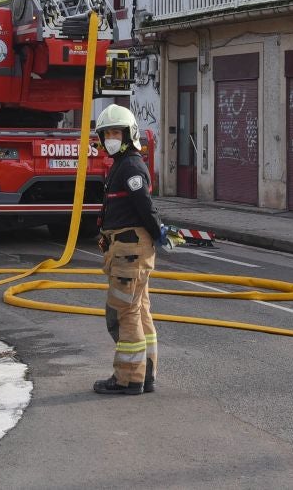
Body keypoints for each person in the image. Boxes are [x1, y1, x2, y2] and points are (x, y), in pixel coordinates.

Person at [93, 103, 166, 396]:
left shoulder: (131, 166)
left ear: (128, 135)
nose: (110, 138)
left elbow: (144, 206)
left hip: (129, 252)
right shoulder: (122, 165)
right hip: (127, 249)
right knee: (139, 310)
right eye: (106, 133)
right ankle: (145, 374)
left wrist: (158, 229)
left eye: (115, 132)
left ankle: (128, 378)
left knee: (123, 313)